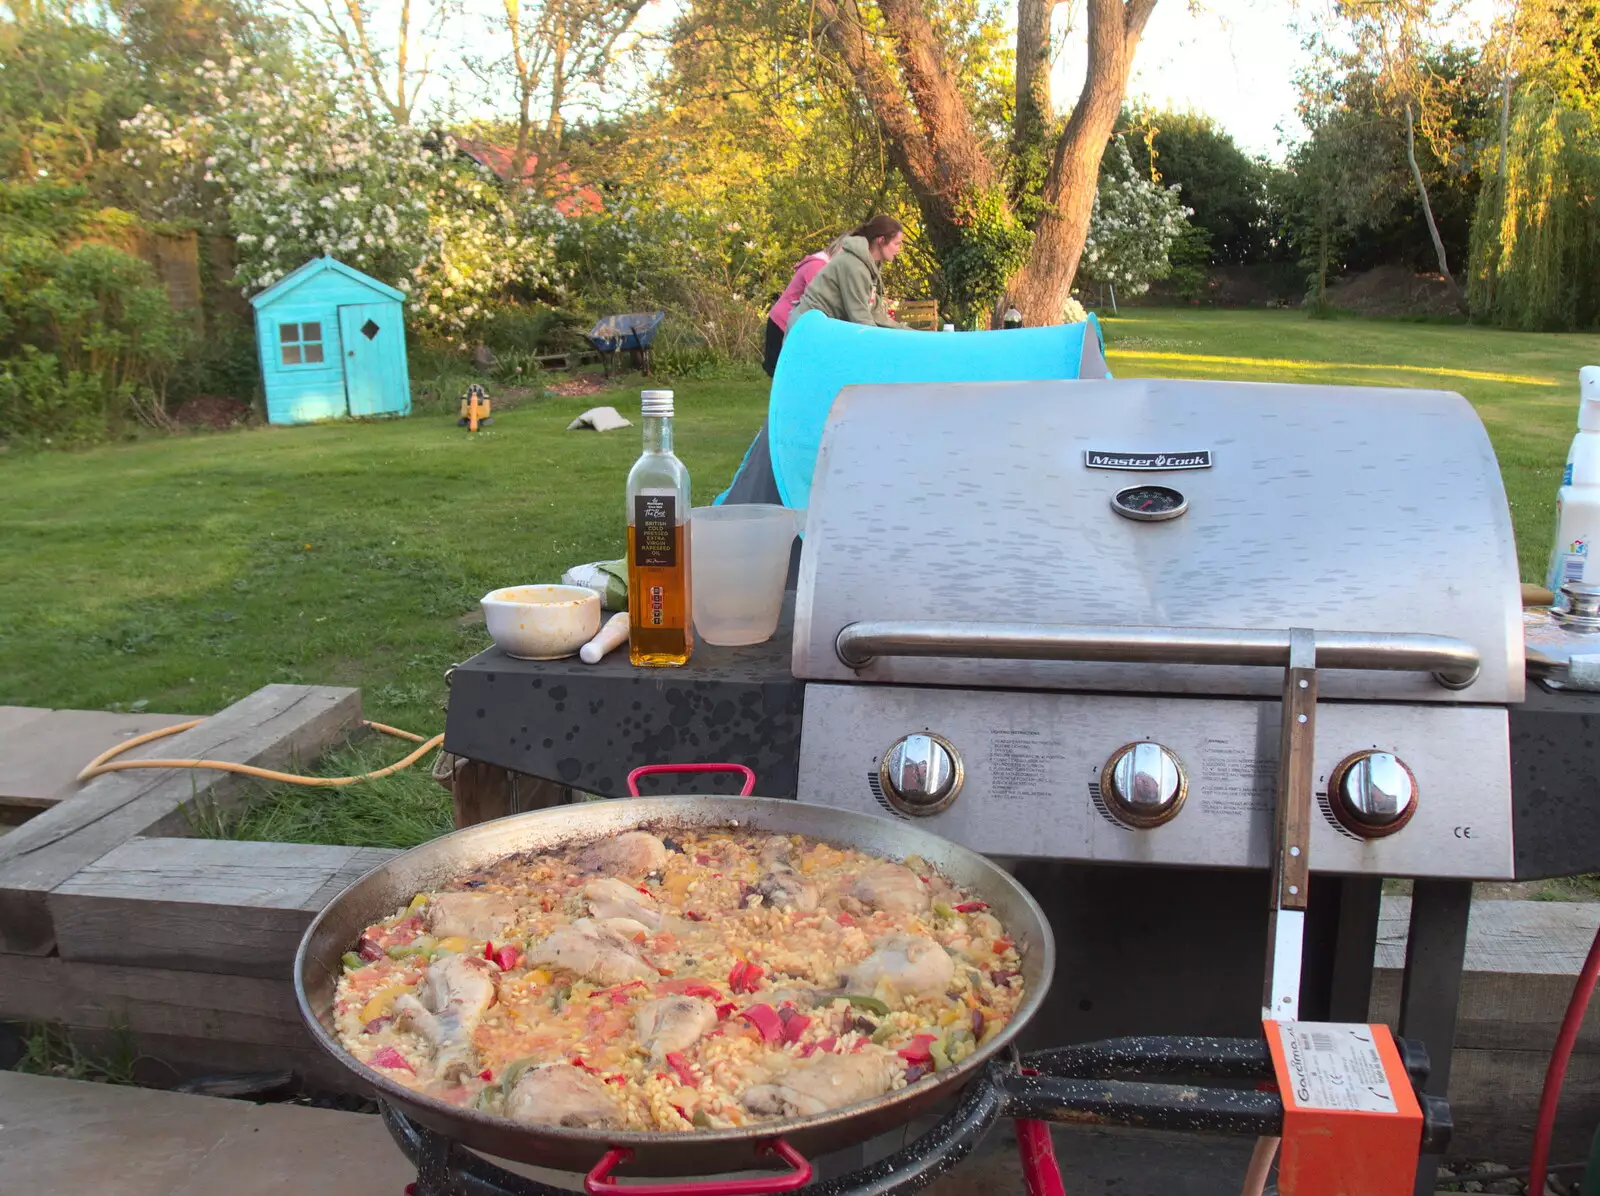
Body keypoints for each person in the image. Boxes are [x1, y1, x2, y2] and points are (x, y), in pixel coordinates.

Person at [787, 215, 909, 332]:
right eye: (896, 244)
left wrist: (910, 333)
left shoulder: (870, 266)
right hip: (807, 329)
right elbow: (861, 319)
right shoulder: (854, 265)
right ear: (881, 240)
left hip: (822, 328)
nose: (898, 249)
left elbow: (875, 315)